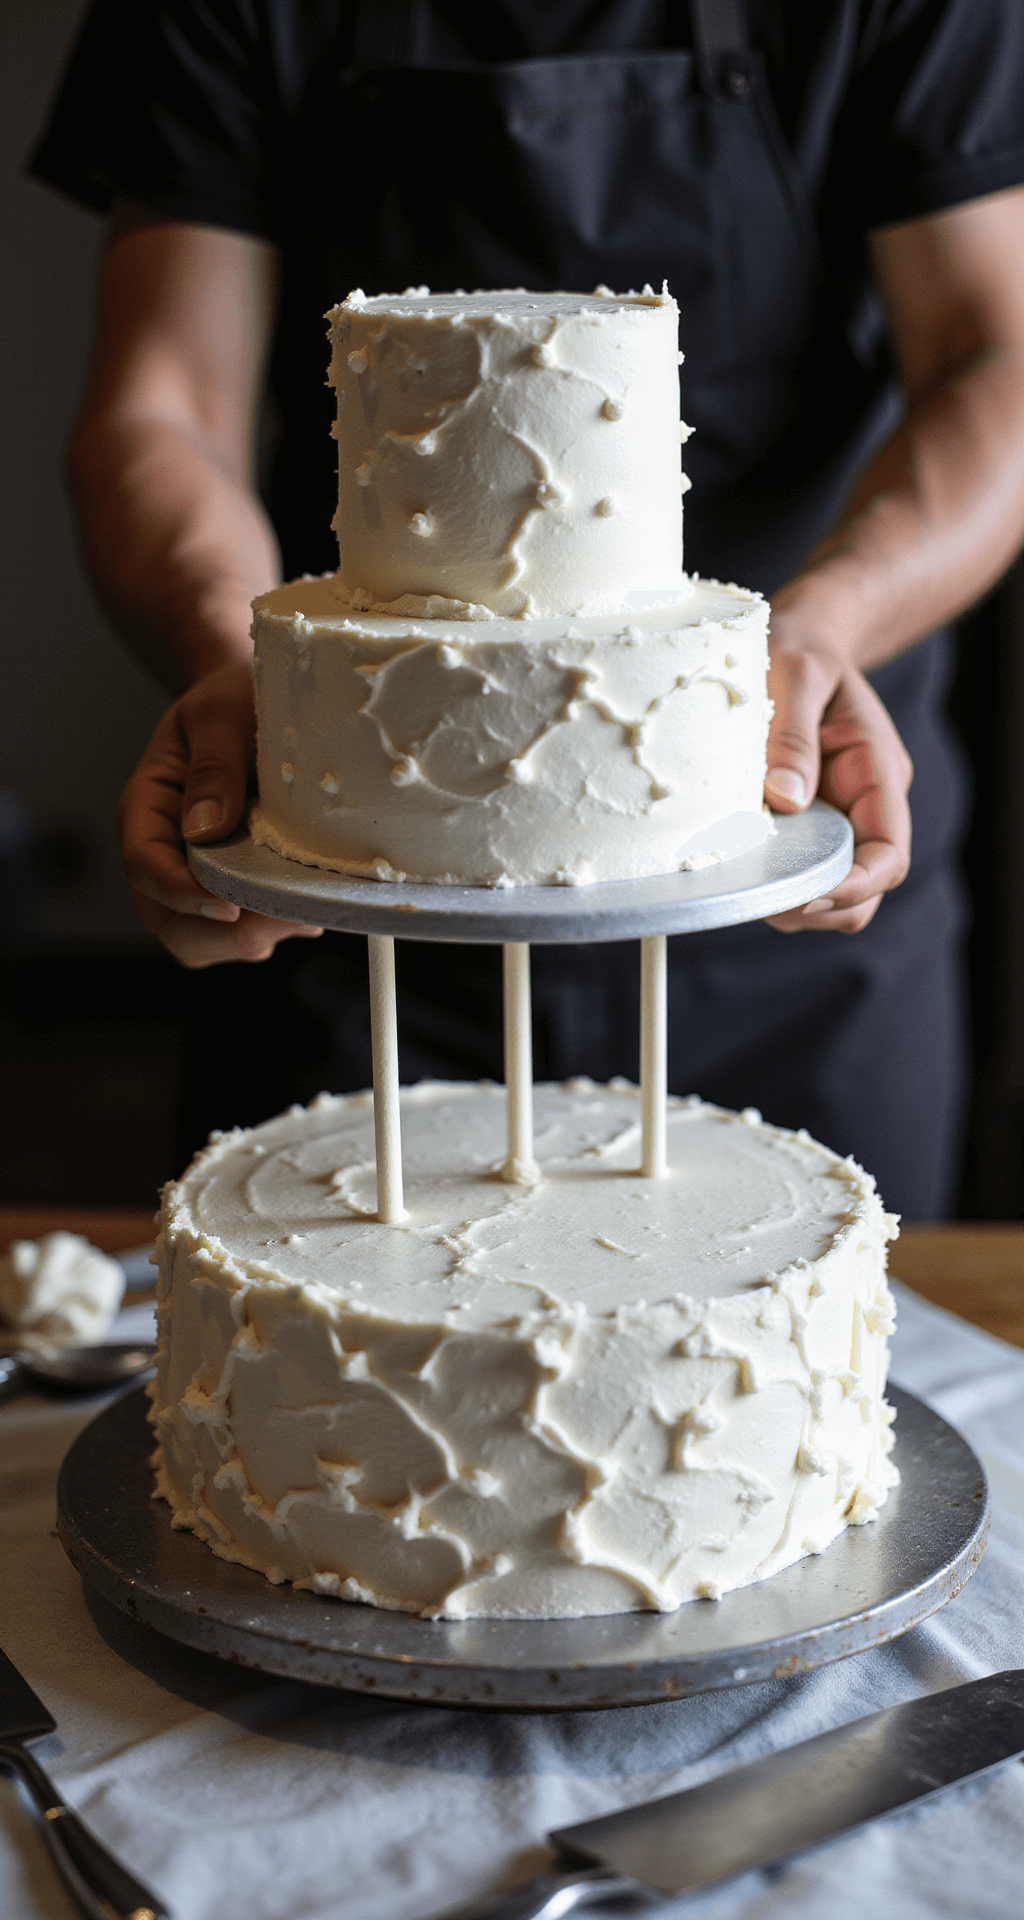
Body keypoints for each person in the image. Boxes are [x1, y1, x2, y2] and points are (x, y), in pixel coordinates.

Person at [29, 0, 1024, 1217]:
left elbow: (997, 358)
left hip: (770, 828)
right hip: (357, 859)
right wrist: (242, 662)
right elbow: (162, 401)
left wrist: (820, 629)